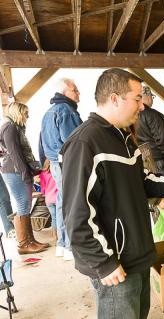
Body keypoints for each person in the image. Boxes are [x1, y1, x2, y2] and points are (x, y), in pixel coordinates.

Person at [60, 68, 164, 319]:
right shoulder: (85, 143)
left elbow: (140, 182)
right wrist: (103, 263)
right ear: (114, 98)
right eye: (136, 98)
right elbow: (77, 215)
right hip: (115, 265)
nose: (142, 106)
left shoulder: (123, 137)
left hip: (137, 254)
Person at [41, 78, 82, 261]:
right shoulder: (66, 111)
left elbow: (41, 144)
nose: (78, 93)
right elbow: (72, 142)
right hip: (67, 162)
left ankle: (62, 245)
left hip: (55, 163)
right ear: (65, 92)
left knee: (61, 201)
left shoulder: (48, 112)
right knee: (71, 202)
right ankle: (70, 246)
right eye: (75, 90)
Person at [0, 102, 49, 254]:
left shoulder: (15, 127)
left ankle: (30, 240)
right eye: (25, 113)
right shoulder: (10, 127)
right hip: (14, 171)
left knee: (26, 204)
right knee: (22, 204)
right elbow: (15, 154)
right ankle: (24, 244)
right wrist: (26, 175)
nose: (27, 116)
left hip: (16, 170)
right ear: (18, 112)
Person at [136, 86, 164, 175]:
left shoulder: (133, 115)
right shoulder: (154, 115)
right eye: (152, 97)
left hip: (143, 159)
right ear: (148, 96)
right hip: (159, 160)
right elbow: (162, 139)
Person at [39, 159, 58, 240]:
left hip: (49, 200)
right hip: (57, 199)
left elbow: (43, 189)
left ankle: (54, 235)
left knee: (54, 218)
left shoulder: (43, 174)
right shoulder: (57, 173)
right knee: (61, 217)